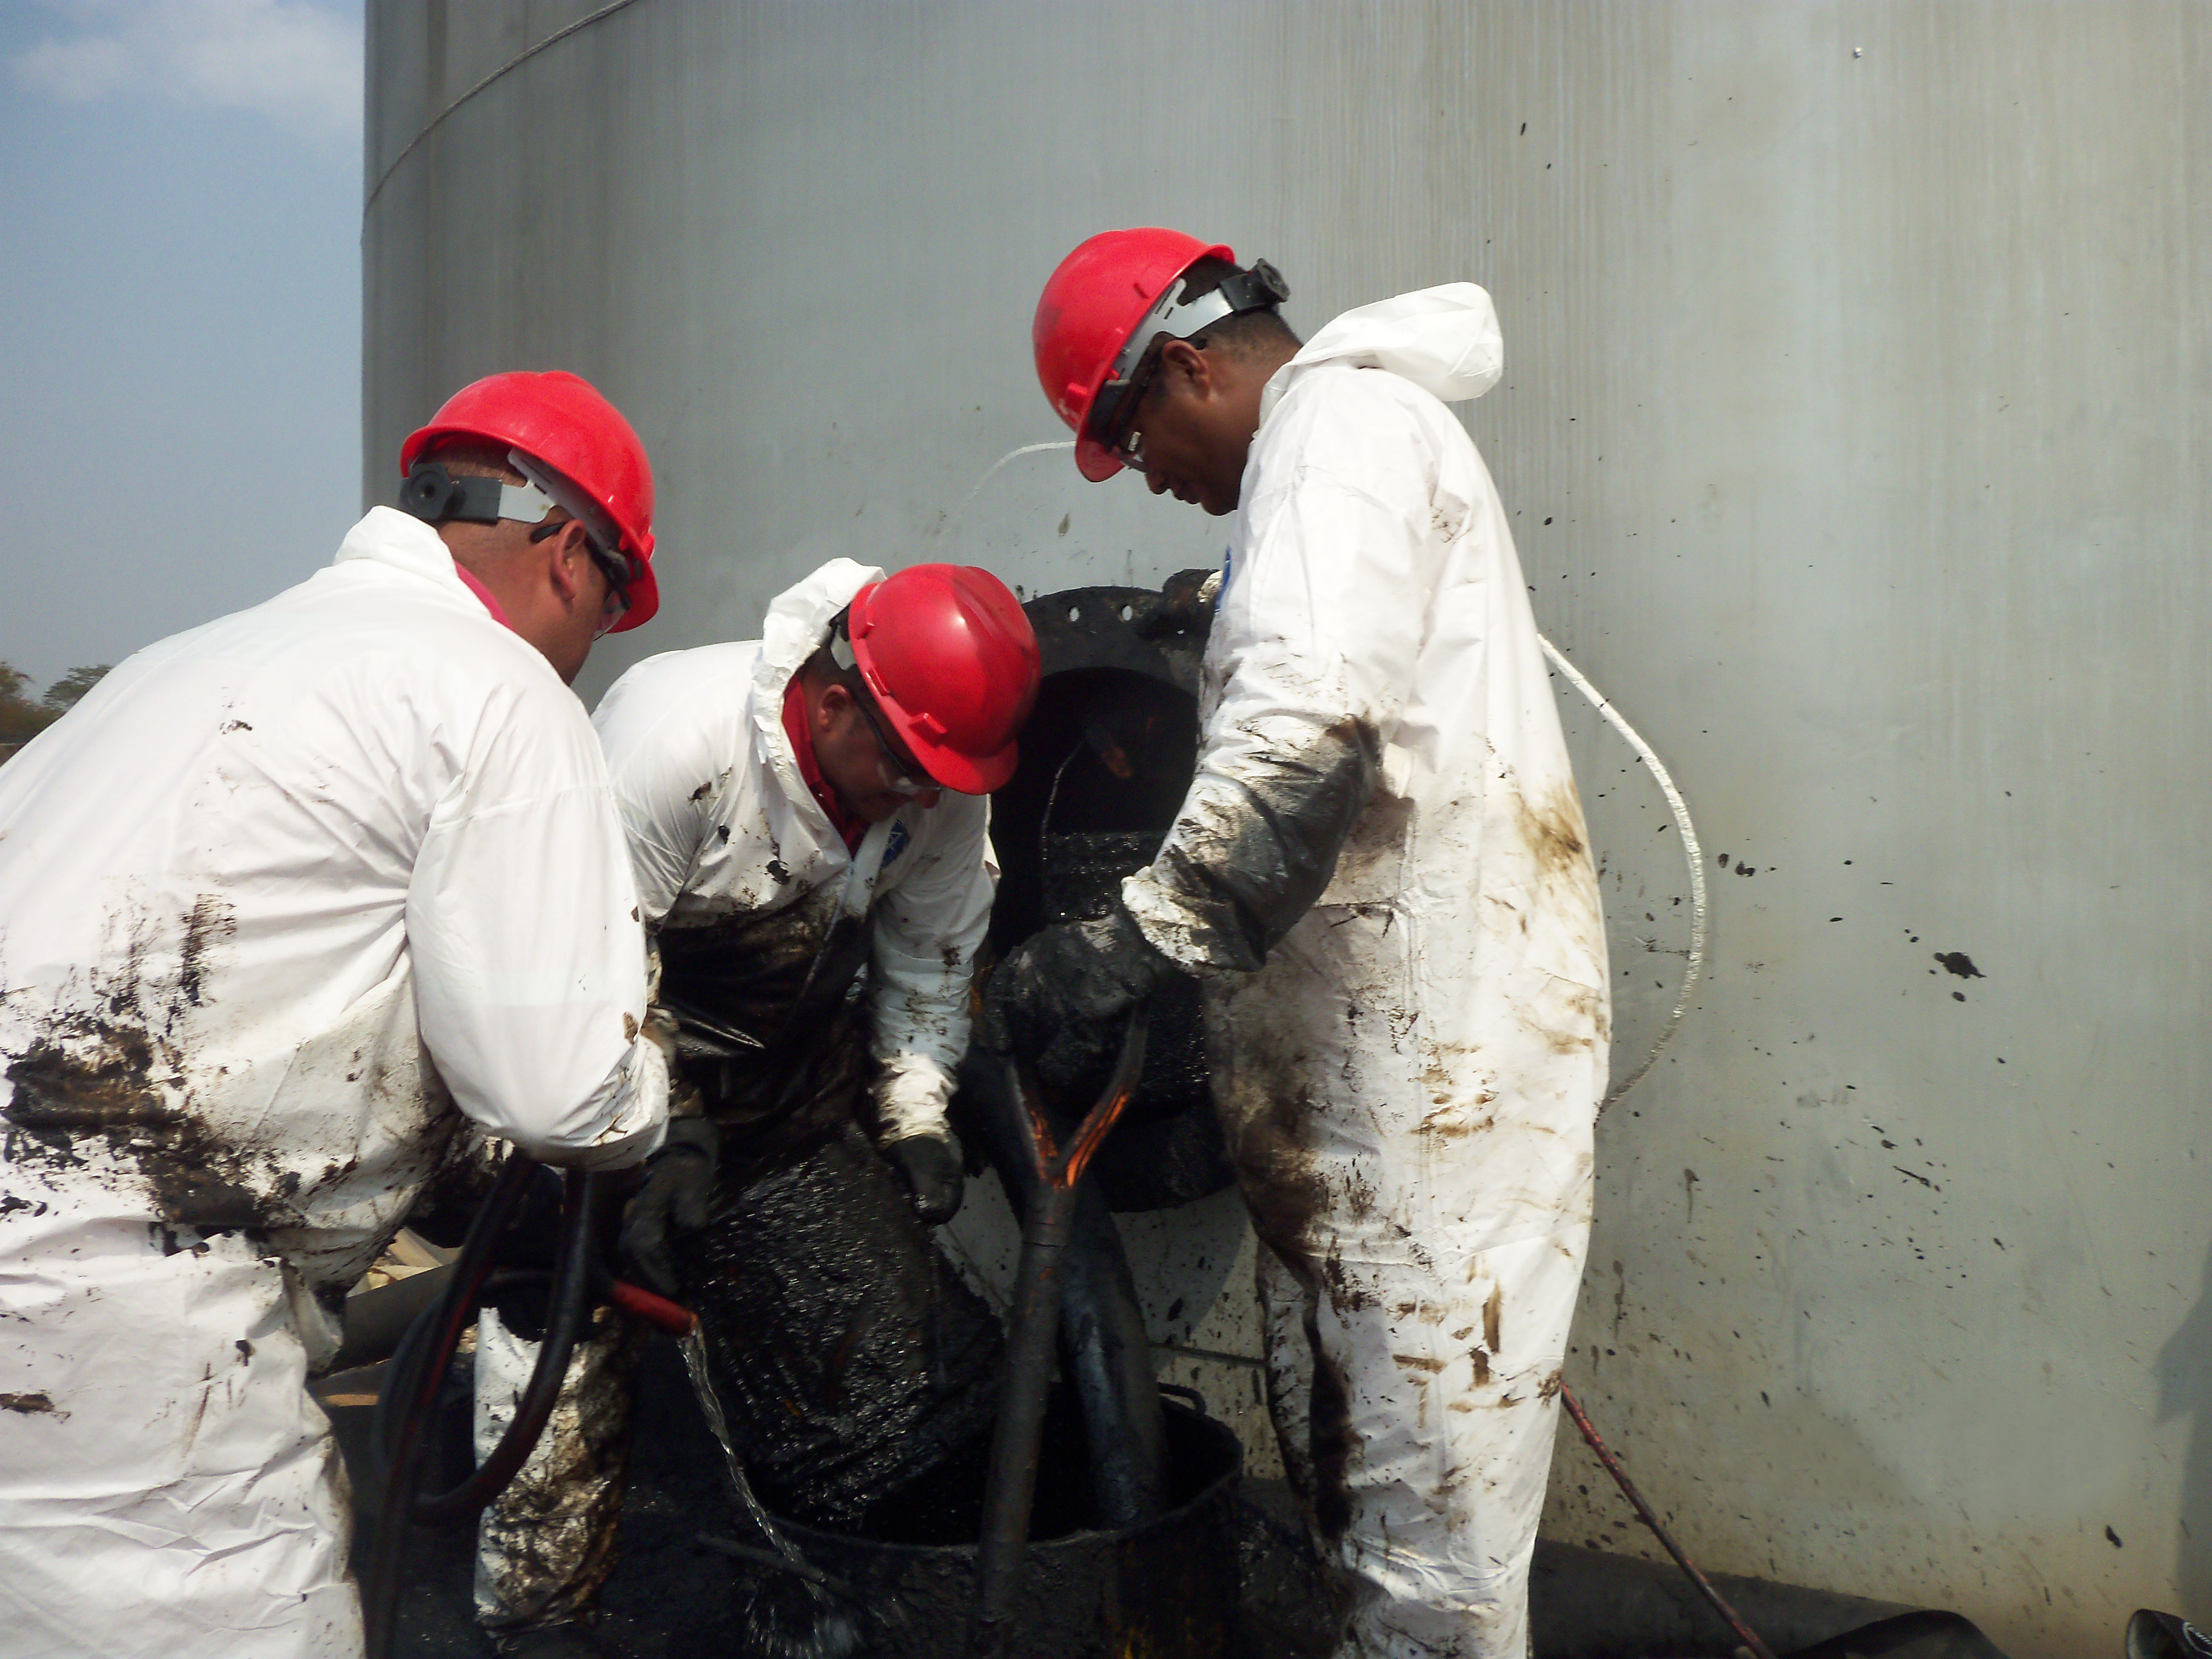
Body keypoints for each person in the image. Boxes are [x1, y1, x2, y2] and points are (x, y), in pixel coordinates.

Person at [996, 230, 1610, 1659]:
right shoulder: (1337, 449)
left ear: (1191, 366)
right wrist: (1221, 618)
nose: (1146, 471)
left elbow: (1311, 736)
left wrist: (1124, 944)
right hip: (1381, 1095)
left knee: (1422, 1549)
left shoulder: (1332, 432)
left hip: (1430, 1105)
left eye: (1130, 432)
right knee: (1370, 1506)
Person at [0, 370, 673, 1659]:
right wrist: (652, 1108)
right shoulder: (497, 690)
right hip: (122, 1342)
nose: (592, 653)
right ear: (572, 555)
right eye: (609, 614)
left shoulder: (174, 665)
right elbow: (559, 1090)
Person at [472, 558, 1040, 1657]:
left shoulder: (936, 792)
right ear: (831, 703)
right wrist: (661, 1128)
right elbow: (587, 961)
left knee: (882, 1407)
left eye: (943, 780)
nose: (923, 798)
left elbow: (927, 960)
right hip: (599, 1068)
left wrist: (915, 1113)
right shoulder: (673, 744)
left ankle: (834, 1589)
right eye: (907, 767)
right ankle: (537, 1617)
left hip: (789, 1084)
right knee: (571, 1318)